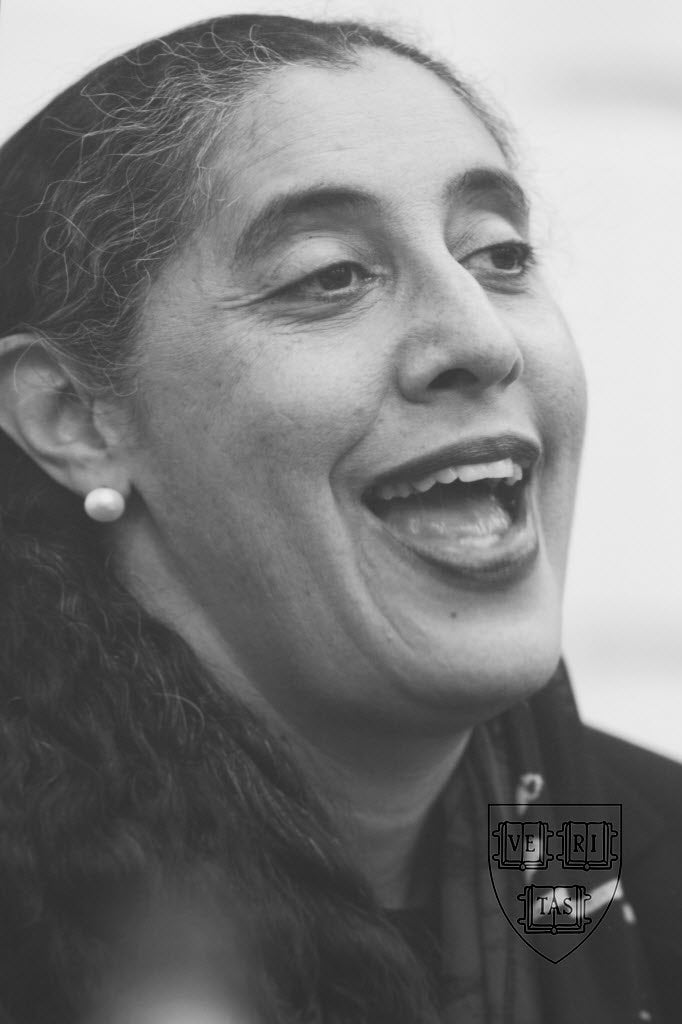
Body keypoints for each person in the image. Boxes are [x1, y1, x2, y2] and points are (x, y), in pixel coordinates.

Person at [0, 14, 679, 1024]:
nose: (479, 339)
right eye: (329, 277)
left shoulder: (658, 867)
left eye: (497, 255)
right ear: (75, 418)